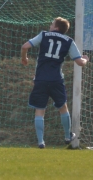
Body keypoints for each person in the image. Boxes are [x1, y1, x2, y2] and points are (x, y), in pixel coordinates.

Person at [21, 17, 89, 148]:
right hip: (56, 80)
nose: (50, 26)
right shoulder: (69, 41)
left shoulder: (43, 35)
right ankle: (67, 136)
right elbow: (79, 62)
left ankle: (41, 142)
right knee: (63, 107)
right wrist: (85, 59)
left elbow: (25, 46)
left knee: (40, 109)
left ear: (56, 27)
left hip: (40, 79)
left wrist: (24, 58)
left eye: (52, 24)